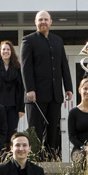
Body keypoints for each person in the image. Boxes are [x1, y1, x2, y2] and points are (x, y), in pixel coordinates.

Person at [21, 11, 72, 159]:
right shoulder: (28, 40)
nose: (43, 22)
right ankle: (35, 160)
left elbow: (64, 64)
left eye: (46, 19)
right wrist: (29, 89)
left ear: (51, 22)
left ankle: (51, 160)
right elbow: (26, 67)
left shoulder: (58, 40)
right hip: (35, 95)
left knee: (52, 130)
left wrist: (68, 87)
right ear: (35, 22)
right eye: (40, 20)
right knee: (35, 131)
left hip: (55, 94)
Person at [0, 38, 23, 138]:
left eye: (8, 49)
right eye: (3, 49)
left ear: (11, 52)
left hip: (13, 107)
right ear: (0, 52)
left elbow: (21, 89)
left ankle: (10, 153)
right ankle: (0, 153)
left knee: (12, 133)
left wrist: (21, 108)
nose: (6, 51)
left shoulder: (18, 69)